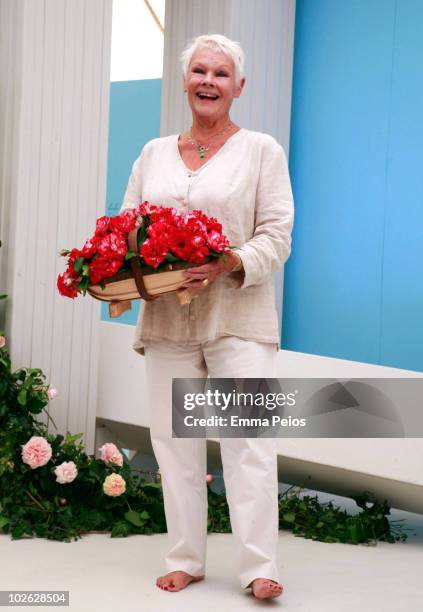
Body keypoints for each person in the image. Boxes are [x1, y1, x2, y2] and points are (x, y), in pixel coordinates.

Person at [119, 33, 294, 600]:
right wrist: (120, 276)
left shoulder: (262, 150)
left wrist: (228, 264)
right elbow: (126, 229)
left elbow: (277, 234)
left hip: (238, 317)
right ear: (186, 81)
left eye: (221, 74)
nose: (209, 82)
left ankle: (259, 567)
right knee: (175, 444)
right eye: (200, 71)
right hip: (168, 321)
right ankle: (186, 558)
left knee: (249, 443)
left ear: (238, 87)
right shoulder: (153, 153)